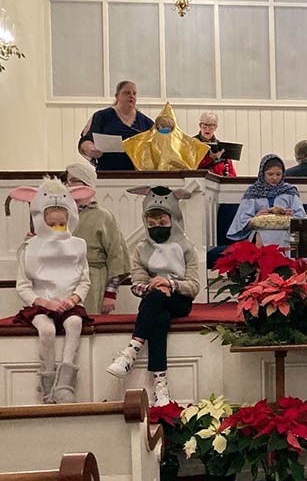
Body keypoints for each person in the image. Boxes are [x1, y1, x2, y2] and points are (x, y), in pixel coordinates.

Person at [106, 186, 201, 406]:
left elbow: (194, 286)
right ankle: (160, 385)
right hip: (155, 300)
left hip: (180, 300)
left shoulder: (186, 247)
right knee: (160, 318)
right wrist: (153, 287)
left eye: (162, 223)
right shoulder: (141, 249)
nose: (157, 228)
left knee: (159, 298)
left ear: (173, 220)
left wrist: (169, 283)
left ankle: (132, 350)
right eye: (152, 225)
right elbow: (136, 284)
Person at [10, 178, 95, 403]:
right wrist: (44, 303)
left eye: (61, 224)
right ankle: (47, 385)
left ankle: (65, 384)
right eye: (52, 224)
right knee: (46, 330)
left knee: (75, 323)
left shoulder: (78, 245)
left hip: (69, 304)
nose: (57, 228)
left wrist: (74, 299)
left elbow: (84, 280)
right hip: (41, 305)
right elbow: (23, 285)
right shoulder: (28, 248)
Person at [65, 162, 130, 315]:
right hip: (65, 279)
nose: (68, 185)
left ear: (86, 183)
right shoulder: (61, 215)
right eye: (67, 181)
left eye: (74, 180)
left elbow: (117, 255)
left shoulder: (103, 216)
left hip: (93, 279)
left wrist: (110, 294)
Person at [226, 154, 306, 249]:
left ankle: (286, 262)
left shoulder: (290, 191)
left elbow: (302, 217)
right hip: (260, 232)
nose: (275, 178)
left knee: (288, 236)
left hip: (286, 230)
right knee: (262, 235)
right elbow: (242, 221)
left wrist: (291, 215)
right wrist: (256, 218)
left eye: (278, 174)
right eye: (270, 174)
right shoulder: (253, 192)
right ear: (262, 173)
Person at [78, 80, 154, 171]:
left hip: (137, 172)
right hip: (108, 171)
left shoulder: (146, 121)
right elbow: (87, 139)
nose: (131, 96)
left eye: (134, 93)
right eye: (127, 93)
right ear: (117, 96)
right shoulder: (102, 116)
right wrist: (90, 149)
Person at [123, 103, 209, 171]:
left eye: (167, 128)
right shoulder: (149, 141)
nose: (165, 131)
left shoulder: (179, 141)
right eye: (162, 127)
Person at [194, 112, 237, 177]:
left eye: (211, 126)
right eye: (205, 125)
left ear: (216, 127)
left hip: (219, 184)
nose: (207, 129)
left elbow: (232, 173)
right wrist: (210, 158)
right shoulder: (193, 144)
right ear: (200, 125)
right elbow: (190, 167)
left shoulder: (220, 147)